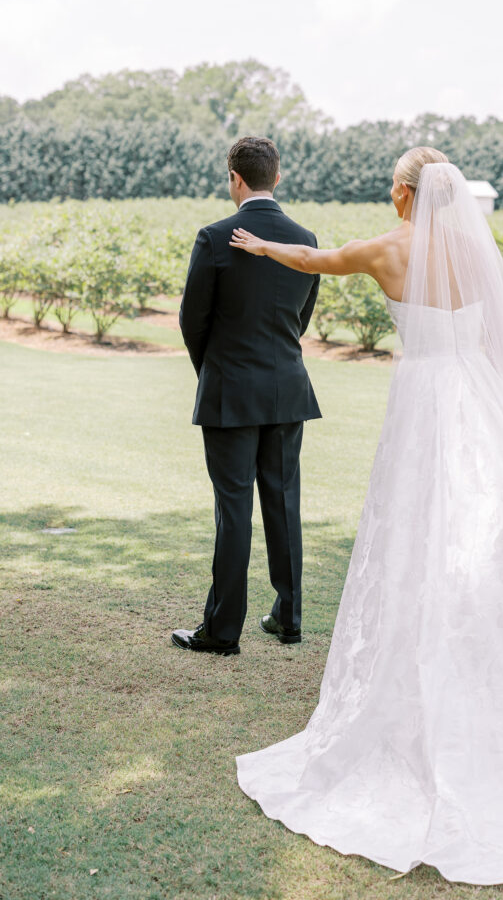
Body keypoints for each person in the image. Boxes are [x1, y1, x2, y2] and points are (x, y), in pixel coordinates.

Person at [230, 147, 503, 888]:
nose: (389, 194)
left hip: (422, 399)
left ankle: (435, 647)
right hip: (476, 393)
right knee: (497, 526)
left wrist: (260, 244)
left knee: (415, 528)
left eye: (392, 187)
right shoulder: (475, 251)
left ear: (407, 194)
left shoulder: (387, 247)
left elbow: (315, 260)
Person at [172, 136, 321, 656]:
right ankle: (290, 617)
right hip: (287, 390)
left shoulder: (214, 238)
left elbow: (194, 321)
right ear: (276, 177)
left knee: (233, 509)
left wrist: (212, 372)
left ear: (234, 177)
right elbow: (300, 321)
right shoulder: (306, 238)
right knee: (284, 504)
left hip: (230, 393)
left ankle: (222, 631)